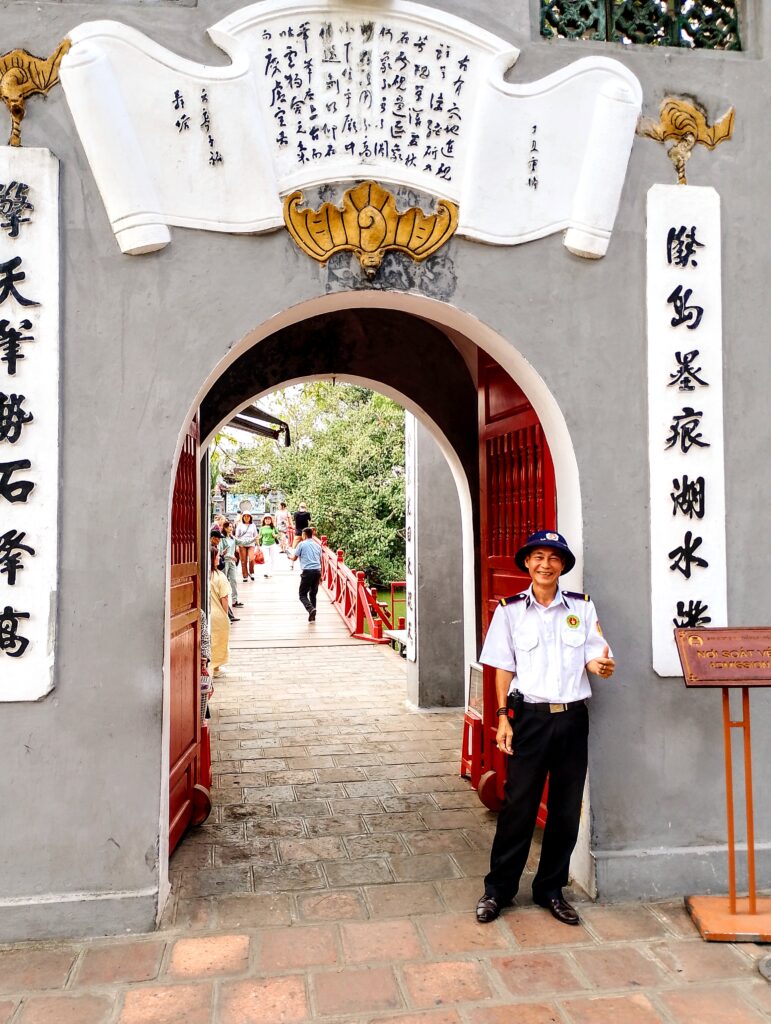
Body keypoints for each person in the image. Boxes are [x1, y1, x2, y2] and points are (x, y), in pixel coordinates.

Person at [475, 530, 615, 927]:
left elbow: (595, 653)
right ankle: (498, 890)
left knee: (566, 810)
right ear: (527, 563)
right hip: (531, 720)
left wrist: (600, 666)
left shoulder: (582, 609)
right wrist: (502, 716)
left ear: (563, 566)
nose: (545, 564)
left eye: (554, 558)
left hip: (572, 718)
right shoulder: (510, 610)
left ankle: (550, 889)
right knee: (518, 806)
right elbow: (502, 666)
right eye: (538, 556)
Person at [288, 527, 322, 622]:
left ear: (304, 535)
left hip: (307, 571)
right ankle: (313, 615)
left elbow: (294, 558)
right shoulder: (317, 545)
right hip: (317, 571)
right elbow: (320, 560)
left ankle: (310, 609)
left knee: (302, 594)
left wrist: (289, 557)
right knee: (313, 594)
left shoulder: (301, 544)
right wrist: (321, 574)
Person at [208, 547, 231, 677]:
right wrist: (225, 615)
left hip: (207, 613)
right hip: (218, 614)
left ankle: (211, 667)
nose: (219, 558)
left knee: (208, 641)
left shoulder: (204, 575)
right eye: (216, 556)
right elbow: (225, 598)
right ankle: (215, 667)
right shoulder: (219, 576)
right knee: (218, 640)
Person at [210, 528, 238, 622]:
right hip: (213, 575)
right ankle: (227, 616)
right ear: (213, 538)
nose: (219, 541)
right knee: (222, 595)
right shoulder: (212, 549)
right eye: (218, 539)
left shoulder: (214, 548)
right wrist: (221, 556)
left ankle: (229, 616)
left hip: (214, 574)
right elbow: (219, 564)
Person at [218, 521, 243, 609]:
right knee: (224, 582)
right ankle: (222, 600)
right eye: (229, 527)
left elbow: (243, 542)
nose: (231, 528)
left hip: (232, 562)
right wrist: (230, 556)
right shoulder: (222, 538)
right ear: (225, 528)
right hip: (225, 562)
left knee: (234, 580)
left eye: (232, 526)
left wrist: (254, 539)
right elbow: (221, 551)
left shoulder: (233, 538)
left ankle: (235, 600)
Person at [235, 512, 258, 581]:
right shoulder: (240, 525)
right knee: (243, 561)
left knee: (251, 559)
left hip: (251, 544)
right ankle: (245, 575)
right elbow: (237, 536)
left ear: (250, 517)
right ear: (243, 517)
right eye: (245, 516)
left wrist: (258, 546)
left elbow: (256, 536)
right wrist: (236, 546)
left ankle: (251, 572)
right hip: (242, 544)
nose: (246, 518)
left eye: (248, 516)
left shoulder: (253, 525)